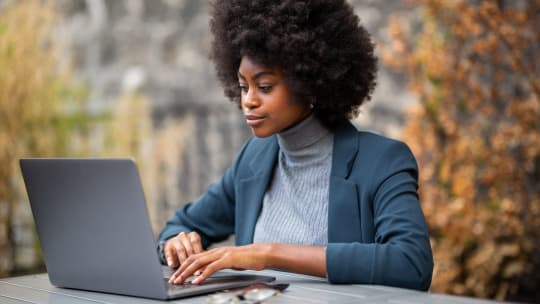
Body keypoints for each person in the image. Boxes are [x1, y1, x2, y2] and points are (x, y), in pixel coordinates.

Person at [157, 0, 434, 291]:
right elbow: (178, 226)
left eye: (264, 87)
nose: (248, 100)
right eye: (243, 86)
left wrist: (268, 253)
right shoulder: (253, 160)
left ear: (309, 84)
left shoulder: (381, 161)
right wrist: (175, 243)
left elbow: (411, 263)